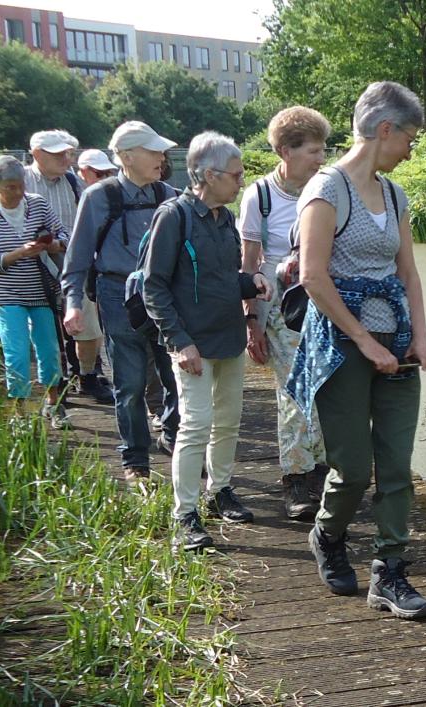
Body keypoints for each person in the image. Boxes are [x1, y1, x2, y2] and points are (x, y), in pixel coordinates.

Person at [288, 82, 426, 619]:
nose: (410, 149)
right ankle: (327, 536)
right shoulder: (326, 191)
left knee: (396, 465)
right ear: (384, 130)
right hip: (342, 348)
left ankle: (389, 572)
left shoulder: (395, 194)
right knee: (351, 469)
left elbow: (408, 273)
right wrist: (364, 340)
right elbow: (313, 277)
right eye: (410, 139)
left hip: (397, 348)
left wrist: (419, 336)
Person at [140, 132, 270, 552]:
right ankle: (185, 514)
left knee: (229, 421)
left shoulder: (223, 219)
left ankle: (221, 490)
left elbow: (221, 279)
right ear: (209, 175)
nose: (241, 181)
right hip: (191, 345)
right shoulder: (173, 216)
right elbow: (154, 287)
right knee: (195, 427)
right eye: (236, 174)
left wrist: (250, 282)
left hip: (228, 339)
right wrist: (179, 342)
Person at [60, 121, 182, 477]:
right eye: (154, 150)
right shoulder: (99, 196)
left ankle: (173, 436)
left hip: (164, 294)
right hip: (117, 296)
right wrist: (72, 304)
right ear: (127, 156)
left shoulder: (169, 196)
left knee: (176, 377)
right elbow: (78, 256)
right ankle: (135, 460)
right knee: (129, 384)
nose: (162, 156)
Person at [238, 106, 333, 521]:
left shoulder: (329, 189)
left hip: (327, 304)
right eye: (313, 150)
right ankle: (297, 477)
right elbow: (248, 266)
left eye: (323, 148)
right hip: (282, 308)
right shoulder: (259, 197)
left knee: (328, 389)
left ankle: (323, 472)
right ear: (284, 151)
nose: (321, 158)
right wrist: (252, 321)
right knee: (295, 391)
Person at [0, 155, 69, 424]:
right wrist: (19, 253)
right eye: (10, 187)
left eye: (21, 185)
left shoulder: (37, 204)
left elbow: (65, 236)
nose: (17, 192)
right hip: (6, 293)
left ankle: (54, 404)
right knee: (15, 353)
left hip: (40, 289)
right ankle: (19, 413)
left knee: (49, 350)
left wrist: (52, 245)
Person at [24, 130, 114, 406]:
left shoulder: (74, 183)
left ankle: (87, 375)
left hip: (73, 263)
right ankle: (57, 385)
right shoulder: (20, 182)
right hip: (31, 266)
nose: (66, 158)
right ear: (37, 154)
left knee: (88, 328)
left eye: (68, 153)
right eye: (59, 153)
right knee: (46, 330)